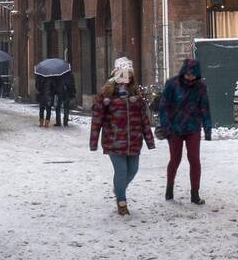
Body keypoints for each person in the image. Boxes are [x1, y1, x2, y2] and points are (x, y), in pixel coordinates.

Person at [89, 57, 154, 216]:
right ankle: (122, 202)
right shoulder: (107, 94)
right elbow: (97, 118)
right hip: (114, 141)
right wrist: (94, 141)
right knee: (121, 171)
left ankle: (118, 189)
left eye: (128, 74)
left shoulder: (136, 95)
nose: (125, 77)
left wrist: (149, 140)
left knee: (133, 170)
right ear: (116, 74)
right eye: (122, 73)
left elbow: (144, 119)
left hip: (134, 141)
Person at [158, 57, 212, 205]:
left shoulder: (201, 87)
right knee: (175, 159)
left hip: (193, 127)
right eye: (187, 74)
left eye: (193, 74)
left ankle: (195, 194)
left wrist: (208, 127)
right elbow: (163, 107)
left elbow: (204, 107)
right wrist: (165, 126)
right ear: (183, 72)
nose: (190, 77)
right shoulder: (172, 84)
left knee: (194, 159)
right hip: (174, 128)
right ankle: (169, 187)